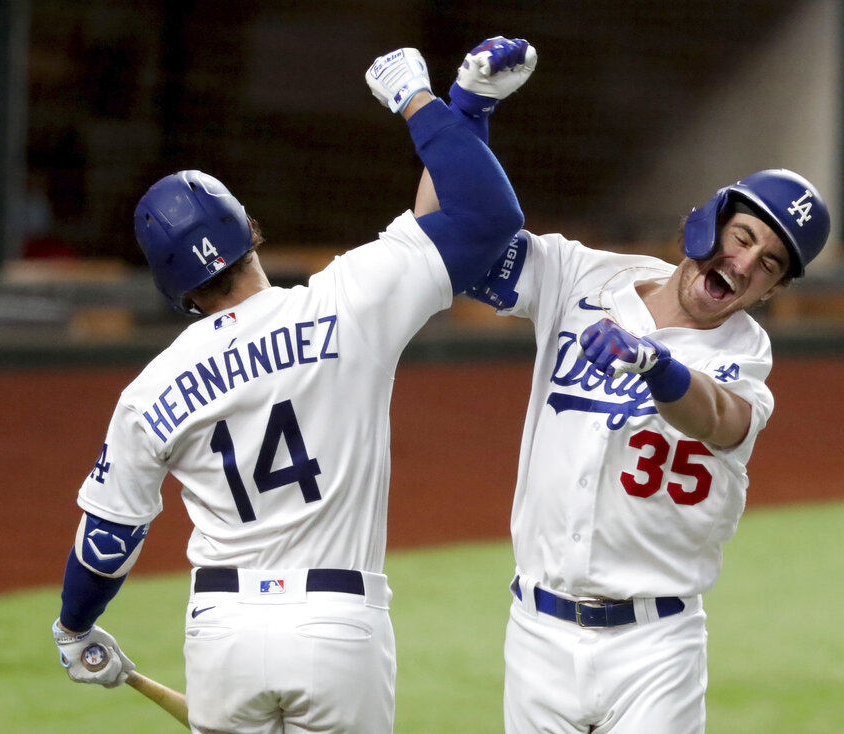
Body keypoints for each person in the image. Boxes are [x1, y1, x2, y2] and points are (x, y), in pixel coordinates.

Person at [50, 41, 533, 734]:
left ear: (174, 290)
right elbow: (479, 215)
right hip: (337, 628)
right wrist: (435, 105)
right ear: (249, 228)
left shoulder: (149, 391)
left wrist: (75, 626)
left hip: (222, 637)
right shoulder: (346, 301)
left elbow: (106, 540)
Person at [418, 43, 831, 733]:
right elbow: (445, 239)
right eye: (743, 235)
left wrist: (655, 367)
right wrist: (463, 114)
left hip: (654, 648)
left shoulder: (743, 354)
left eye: (769, 263)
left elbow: (721, 420)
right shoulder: (583, 277)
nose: (746, 262)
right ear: (709, 222)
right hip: (537, 635)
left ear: (771, 290)